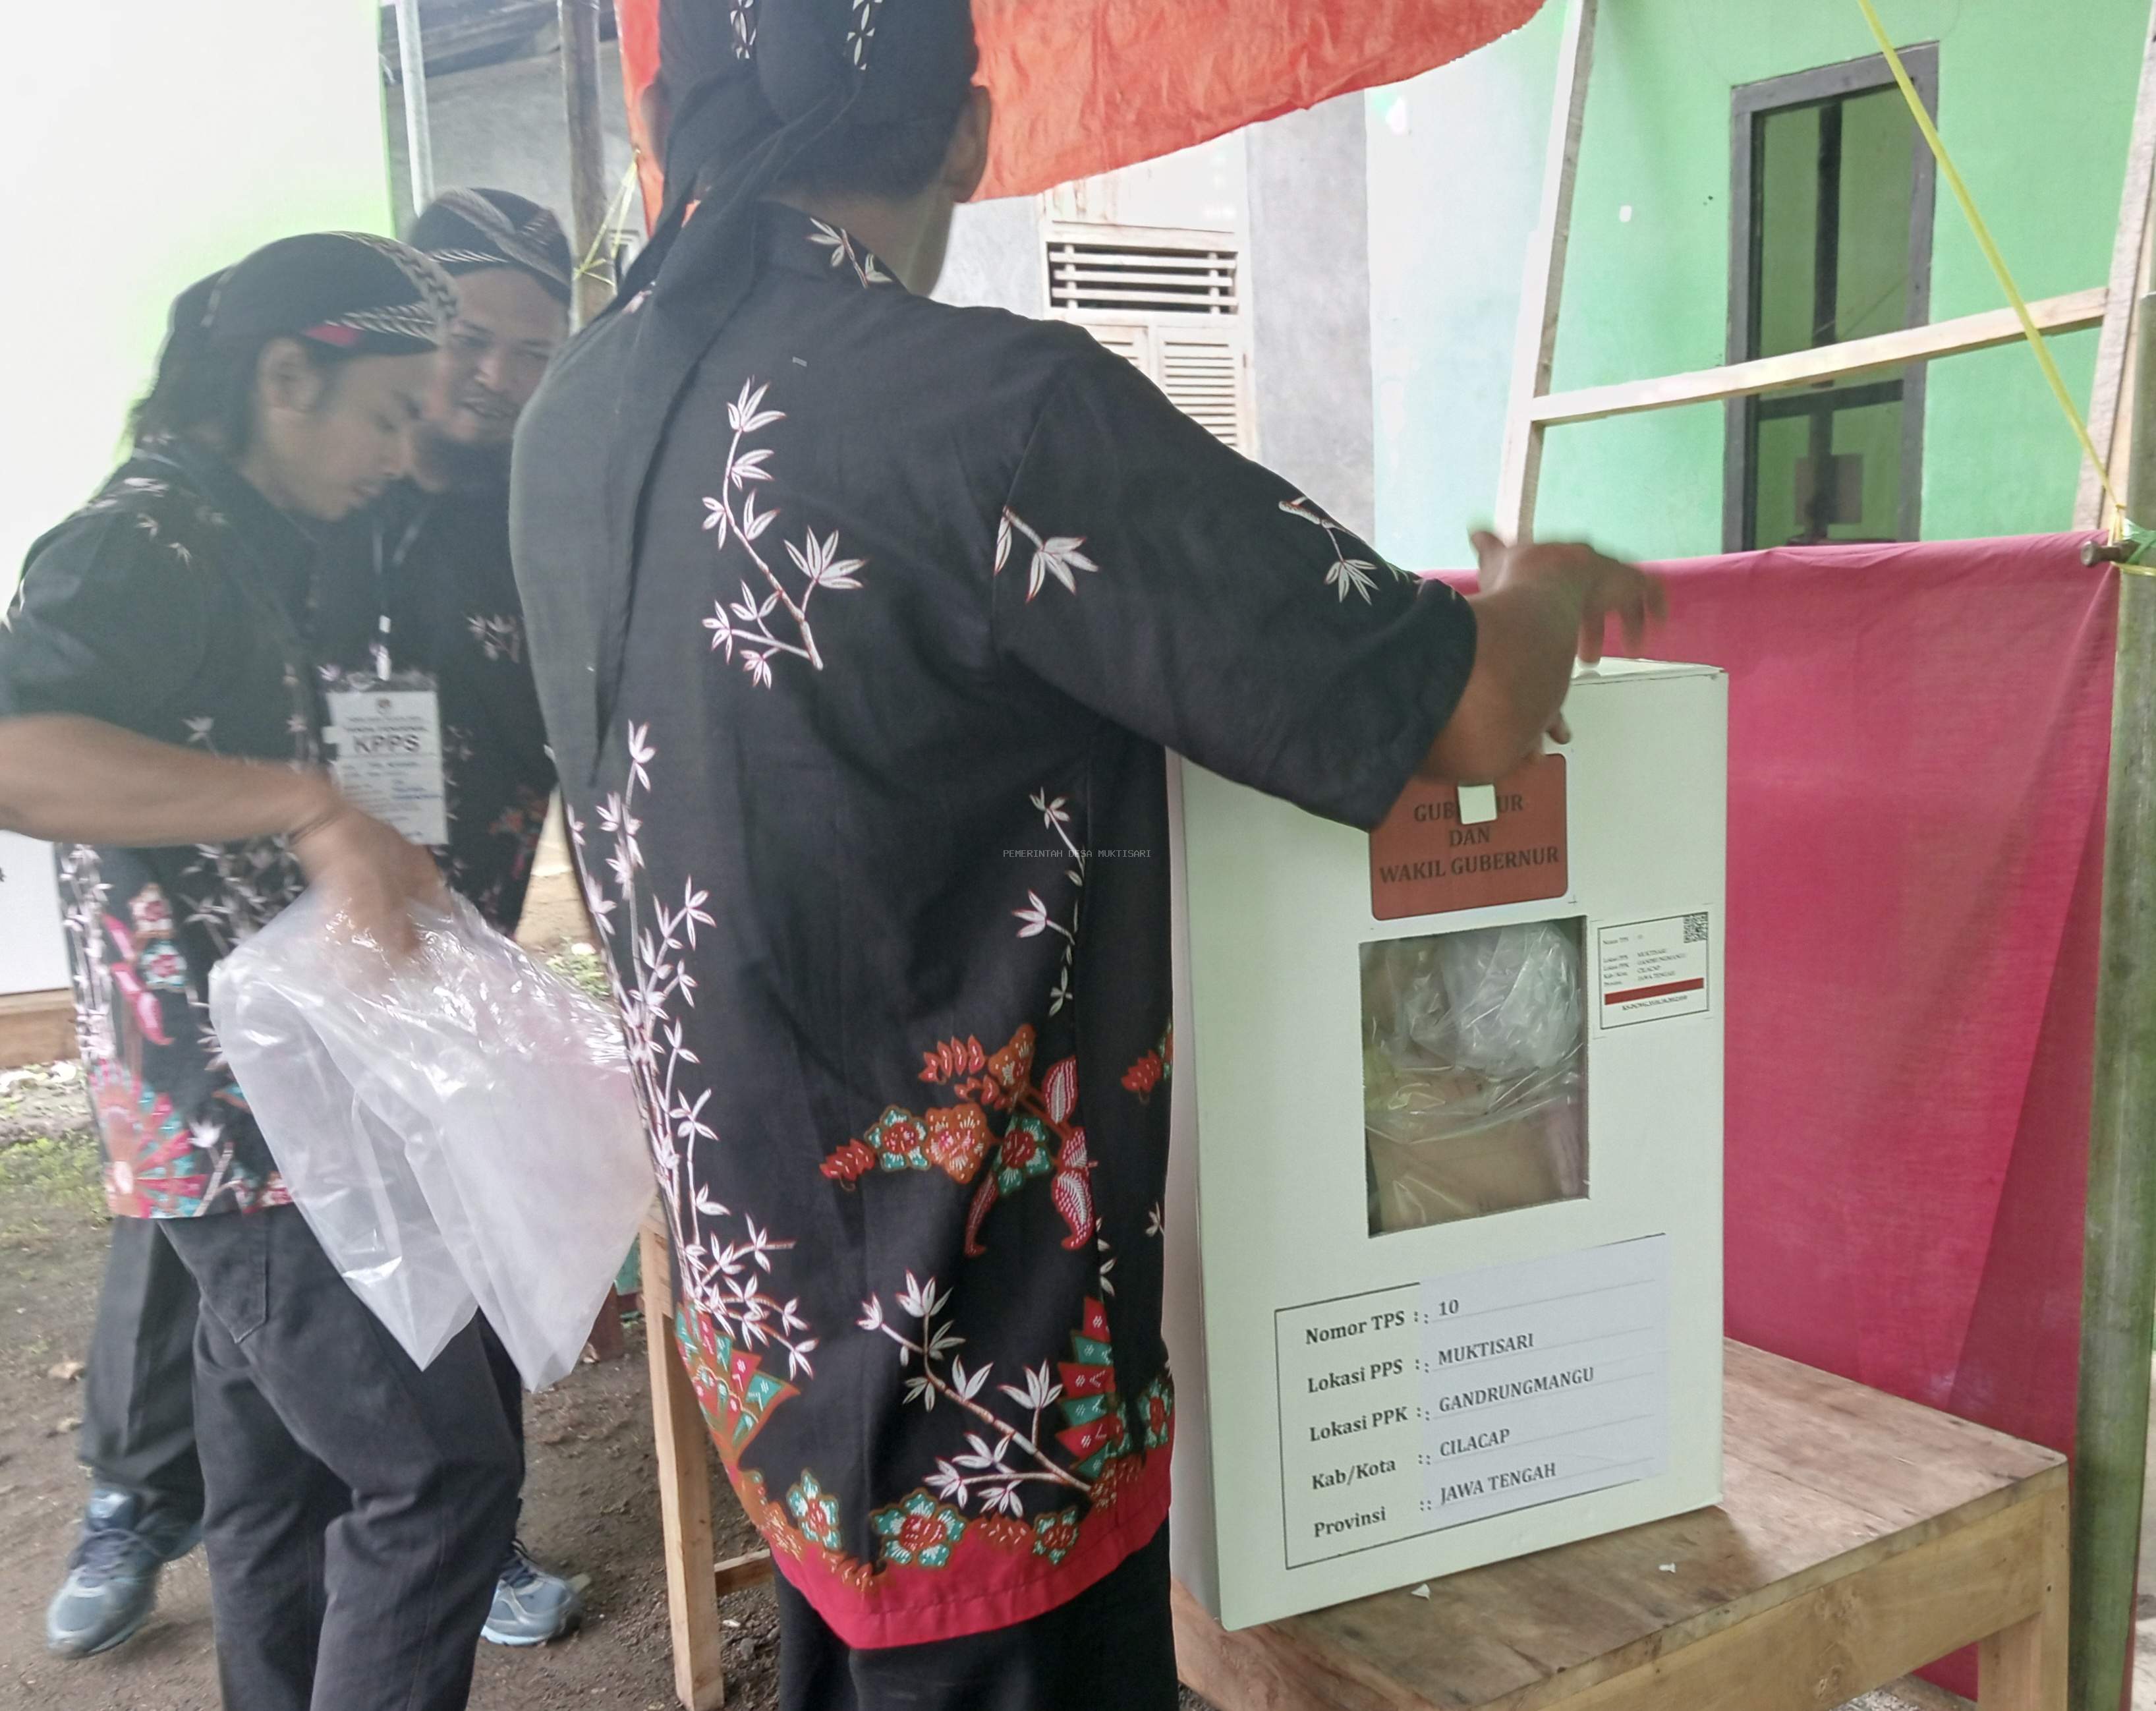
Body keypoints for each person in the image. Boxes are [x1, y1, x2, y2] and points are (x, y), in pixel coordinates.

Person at [511, 3, 1662, 1706]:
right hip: (993, 1400)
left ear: (677, 129)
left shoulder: (570, 416)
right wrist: (1552, 586)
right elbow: (1474, 714)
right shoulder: (998, 420)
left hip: (775, 1340)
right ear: (969, 137)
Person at [0, 235, 521, 1711]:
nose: (404, 446)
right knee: (438, 1476)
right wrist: (307, 806)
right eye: (386, 410)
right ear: (286, 377)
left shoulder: (254, 532)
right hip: (245, 1125)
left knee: (284, 1487)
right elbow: (21, 752)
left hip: (293, 1102)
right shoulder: (140, 538)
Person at [310, 186, 582, 1644]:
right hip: (292, 944)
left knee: (454, 1220)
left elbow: (589, 740)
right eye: (474, 336)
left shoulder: (534, 518)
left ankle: (487, 1536)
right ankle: (148, 1488)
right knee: (281, 1250)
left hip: (458, 947)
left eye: (532, 352)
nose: (496, 373)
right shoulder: (309, 494)